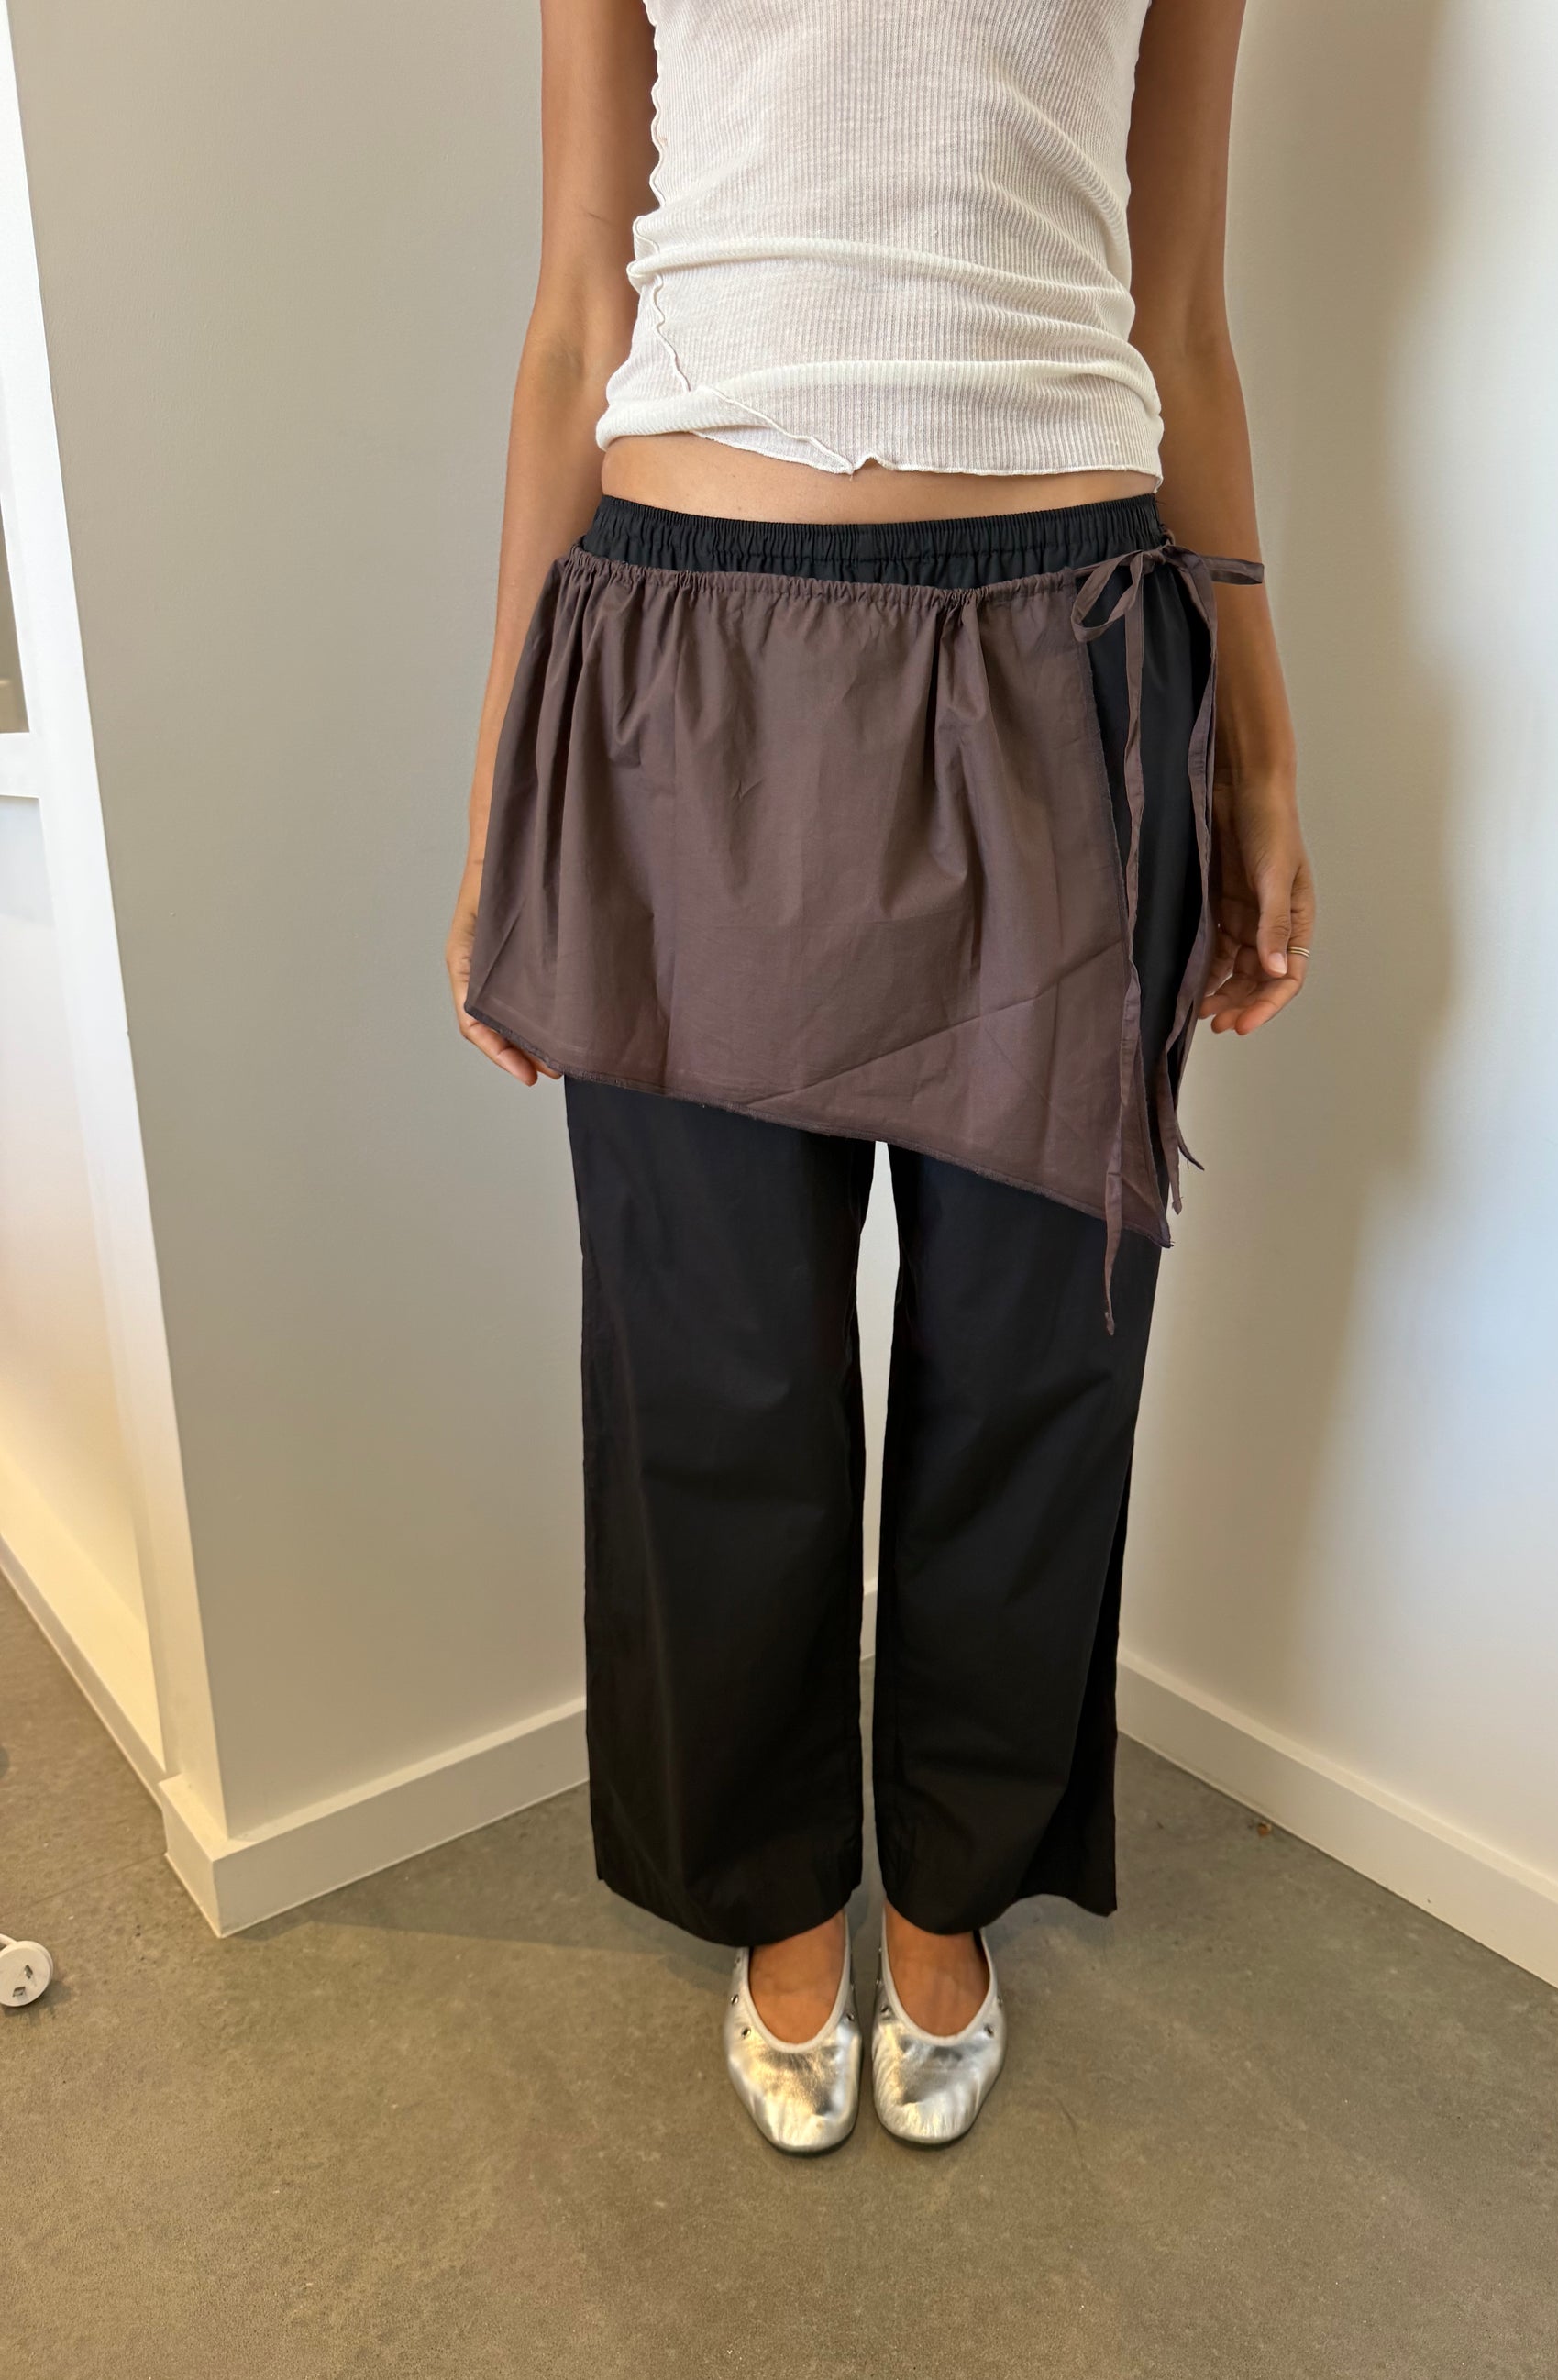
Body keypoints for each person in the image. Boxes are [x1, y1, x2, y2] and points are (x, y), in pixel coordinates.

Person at [446, 0, 1313, 2155]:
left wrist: (1262, 746)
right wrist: (497, 791)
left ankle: (948, 1883)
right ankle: (770, 1888)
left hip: (1071, 647)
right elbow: (576, 311)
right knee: (712, 1361)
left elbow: (1180, 318)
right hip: (681, 660)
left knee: (1036, 1358)